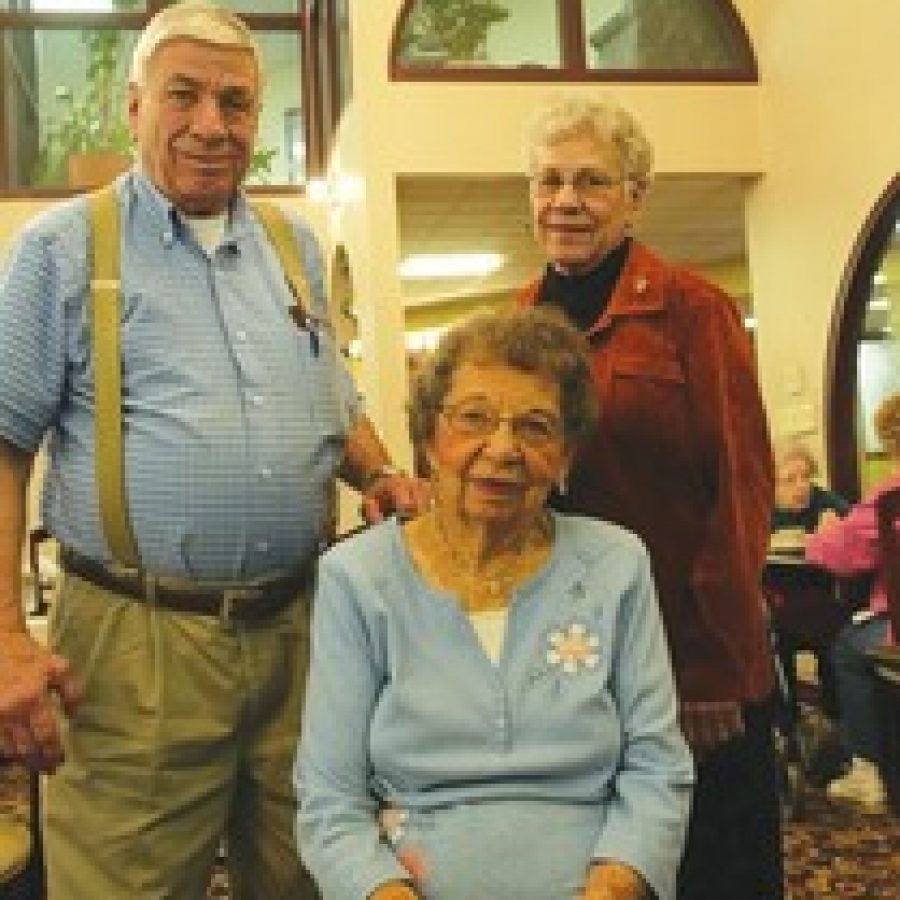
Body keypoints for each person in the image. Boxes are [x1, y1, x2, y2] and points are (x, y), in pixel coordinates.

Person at [0, 3, 426, 897]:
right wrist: (2, 638)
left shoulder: (292, 244)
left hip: (305, 634)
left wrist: (381, 470)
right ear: (133, 107)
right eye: (182, 96)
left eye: (235, 103)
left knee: (314, 875)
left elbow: (332, 402)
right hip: (132, 651)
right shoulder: (63, 248)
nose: (210, 125)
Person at [297, 307, 694, 900]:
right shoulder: (357, 576)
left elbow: (658, 767)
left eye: (536, 427)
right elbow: (331, 798)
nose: (502, 448)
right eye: (473, 419)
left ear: (565, 456)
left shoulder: (616, 563)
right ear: (430, 438)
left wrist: (613, 887)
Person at [518, 98, 780, 899]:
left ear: (635, 195)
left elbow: (741, 493)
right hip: (572, 660)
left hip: (687, 664)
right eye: (549, 180)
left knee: (712, 872)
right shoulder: (519, 327)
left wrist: (711, 669)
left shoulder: (692, 311)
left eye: (591, 181)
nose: (566, 200)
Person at [806, 390, 900, 811]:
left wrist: (823, 531)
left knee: (847, 646)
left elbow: (840, 555)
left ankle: (867, 768)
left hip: (894, 628)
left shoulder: (890, 497)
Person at [768, 440, 850, 724]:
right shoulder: (763, 510)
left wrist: (837, 529)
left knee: (832, 636)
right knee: (775, 646)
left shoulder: (824, 501)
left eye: (806, 476)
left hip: (820, 598)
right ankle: (788, 723)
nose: (801, 486)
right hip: (778, 599)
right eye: (789, 480)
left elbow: (853, 527)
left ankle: (836, 720)